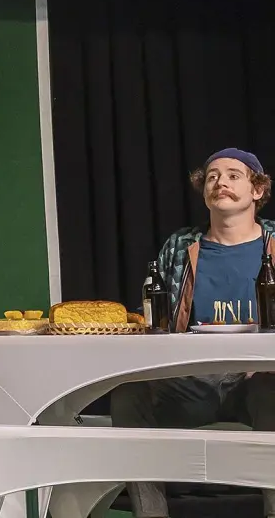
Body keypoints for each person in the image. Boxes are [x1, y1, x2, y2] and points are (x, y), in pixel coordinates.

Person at [111, 148, 275, 518]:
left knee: (271, 391)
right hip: (192, 378)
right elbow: (157, 318)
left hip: (259, 380)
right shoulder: (181, 247)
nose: (221, 182)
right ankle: (151, 514)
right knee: (128, 397)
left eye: (234, 175)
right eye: (213, 176)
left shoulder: (274, 244)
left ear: (257, 191)